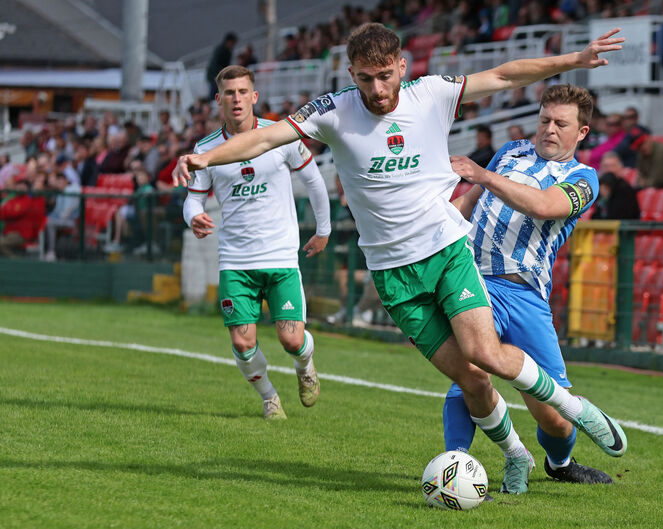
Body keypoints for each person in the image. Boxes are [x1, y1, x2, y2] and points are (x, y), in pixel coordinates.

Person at [174, 23, 628, 493]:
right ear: (351, 73)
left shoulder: (431, 93)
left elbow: (506, 74)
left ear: (402, 67)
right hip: (393, 276)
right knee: (469, 379)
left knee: (482, 353)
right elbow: (265, 139)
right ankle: (516, 454)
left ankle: (580, 412)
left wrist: (574, 59)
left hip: (446, 251)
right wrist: (205, 159)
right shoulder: (332, 111)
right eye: (366, 78)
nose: (377, 89)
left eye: (386, 76)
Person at [443, 84, 619, 486]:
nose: (550, 130)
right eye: (544, 120)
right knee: (470, 371)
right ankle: (454, 465)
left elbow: (543, 206)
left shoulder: (584, 178)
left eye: (561, 123)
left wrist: (483, 174)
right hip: (473, 278)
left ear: (582, 133)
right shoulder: (510, 152)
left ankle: (559, 465)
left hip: (525, 293)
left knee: (554, 418)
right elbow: (471, 199)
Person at [183, 65, 331, 419]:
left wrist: (323, 230)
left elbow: (314, 180)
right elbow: (193, 198)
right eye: (229, 93)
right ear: (219, 100)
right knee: (241, 342)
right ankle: (269, 397)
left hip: (280, 257)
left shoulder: (281, 135)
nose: (236, 99)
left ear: (255, 96)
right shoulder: (206, 149)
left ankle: (305, 367)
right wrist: (193, 216)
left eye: (242, 92)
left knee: (293, 341)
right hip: (235, 260)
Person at [206, 32, 238, 100]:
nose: (233, 45)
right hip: (215, 75)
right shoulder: (220, 50)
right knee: (214, 91)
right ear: (228, 41)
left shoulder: (228, 51)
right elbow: (215, 64)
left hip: (220, 75)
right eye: (232, 43)